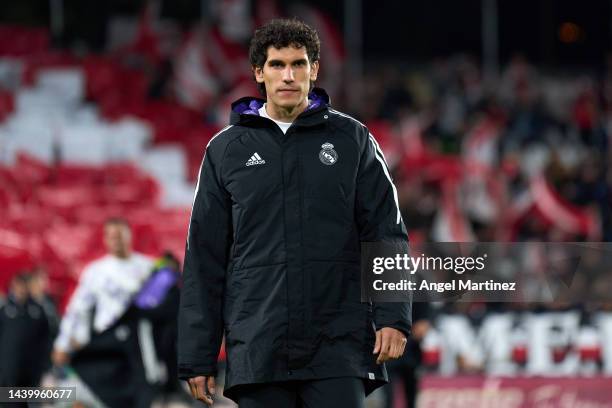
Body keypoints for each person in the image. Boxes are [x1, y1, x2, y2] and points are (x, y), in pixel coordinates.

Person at [178, 18, 412, 408]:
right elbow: (204, 257)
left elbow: (386, 233)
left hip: (338, 343)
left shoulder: (353, 139)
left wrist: (393, 317)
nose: (289, 75)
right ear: (258, 72)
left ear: (314, 69)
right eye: (277, 65)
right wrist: (197, 356)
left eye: (299, 64)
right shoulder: (225, 151)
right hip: (259, 345)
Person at [51, 218, 159, 408]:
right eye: (110, 236)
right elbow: (77, 310)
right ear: (105, 240)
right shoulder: (96, 271)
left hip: (141, 345)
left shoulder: (149, 267)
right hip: (107, 345)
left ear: (129, 236)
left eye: (119, 235)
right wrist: (63, 342)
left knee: (142, 395)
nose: (115, 240)